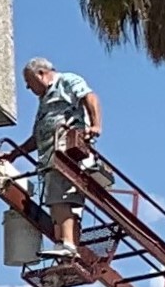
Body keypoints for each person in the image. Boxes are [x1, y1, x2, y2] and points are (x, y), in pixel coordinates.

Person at [22, 56, 104, 257]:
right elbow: (37, 136)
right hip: (50, 156)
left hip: (65, 152)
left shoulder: (66, 81)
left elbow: (90, 97)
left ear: (40, 74)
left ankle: (68, 244)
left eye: (29, 82)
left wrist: (95, 125)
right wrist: (16, 154)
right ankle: (67, 243)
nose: (28, 88)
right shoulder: (44, 101)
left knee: (61, 197)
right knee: (58, 199)